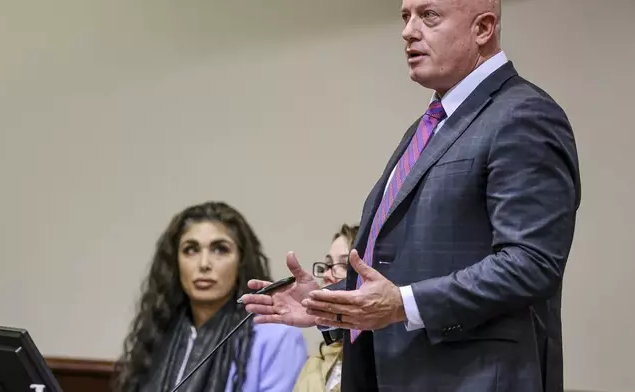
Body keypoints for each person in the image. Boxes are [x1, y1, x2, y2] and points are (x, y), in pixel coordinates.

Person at [241, 0, 581, 390]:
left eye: (429, 16)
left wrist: (403, 304)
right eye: (406, 17)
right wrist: (329, 301)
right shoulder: (429, 126)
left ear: (483, 29)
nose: (408, 31)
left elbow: (531, 262)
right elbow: (413, 264)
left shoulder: (524, 116)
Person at [113, 201, 308, 392]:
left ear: (241, 261)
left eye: (220, 249)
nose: (204, 264)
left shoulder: (277, 336)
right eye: (191, 250)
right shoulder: (159, 331)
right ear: (175, 262)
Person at [293, 224, 359, 392]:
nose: (328, 274)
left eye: (344, 265)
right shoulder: (316, 362)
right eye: (328, 265)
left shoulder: (385, 361)